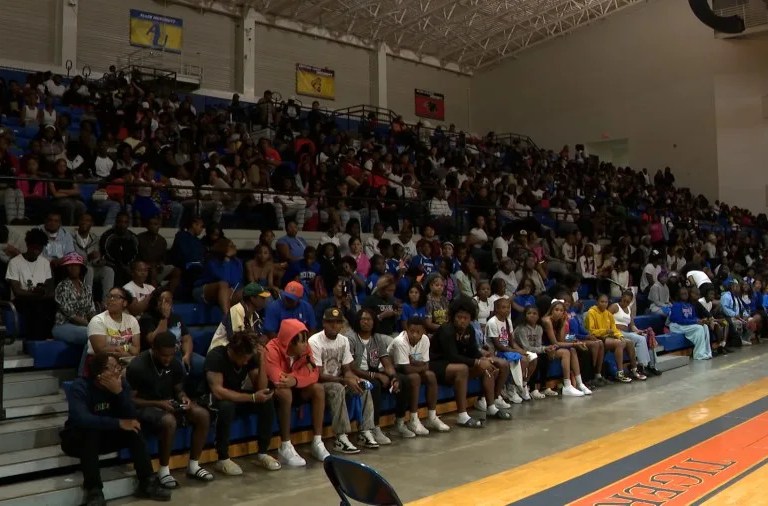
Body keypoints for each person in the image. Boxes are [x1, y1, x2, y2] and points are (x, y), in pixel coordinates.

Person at [60, 353, 171, 506]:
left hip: (106, 437)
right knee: (90, 430)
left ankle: (147, 482)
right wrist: (118, 423)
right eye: (112, 368)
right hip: (77, 439)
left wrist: (119, 394)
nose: (118, 371)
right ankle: (94, 491)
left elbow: (131, 415)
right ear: (99, 373)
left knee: (134, 428)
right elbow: (82, 419)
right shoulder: (81, 386)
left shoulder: (120, 384)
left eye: (118, 367)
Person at [126, 332, 214, 488]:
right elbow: (130, 400)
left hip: (166, 403)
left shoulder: (174, 362)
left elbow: (178, 389)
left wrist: (183, 397)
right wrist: (158, 403)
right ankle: (164, 471)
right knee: (169, 420)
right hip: (144, 406)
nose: (168, 359)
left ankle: (193, 466)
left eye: (171, 355)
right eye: (164, 355)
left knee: (202, 414)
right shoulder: (137, 366)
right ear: (154, 349)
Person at [201, 331, 280, 475]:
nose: (246, 362)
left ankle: (262, 452)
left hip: (236, 396)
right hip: (213, 399)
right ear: (234, 352)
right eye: (244, 359)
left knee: (267, 400)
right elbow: (218, 391)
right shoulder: (216, 356)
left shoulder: (248, 357)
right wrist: (252, 398)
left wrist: (262, 360)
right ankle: (222, 458)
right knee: (227, 406)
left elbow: (261, 388)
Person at [430, 297, 512, 428]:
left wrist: (484, 359)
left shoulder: (470, 330)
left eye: (466, 318)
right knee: (464, 368)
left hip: (456, 364)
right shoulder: (446, 330)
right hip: (438, 365)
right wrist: (477, 362)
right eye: (459, 317)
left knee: (489, 365)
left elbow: (473, 351)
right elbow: (452, 356)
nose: (462, 320)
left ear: (471, 318)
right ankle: (462, 416)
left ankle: (491, 407)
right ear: (453, 316)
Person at [309, 307, 379, 454]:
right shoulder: (314, 341)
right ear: (324, 323)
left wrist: (353, 378)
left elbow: (347, 368)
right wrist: (344, 380)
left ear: (342, 324)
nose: (334, 325)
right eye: (330, 322)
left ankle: (365, 431)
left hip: (339, 379)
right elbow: (318, 375)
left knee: (364, 385)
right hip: (321, 384)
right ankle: (340, 437)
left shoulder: (344, 340)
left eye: (338, 322)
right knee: (337, 388)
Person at [265, 319, 330, 466]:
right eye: (302, 341)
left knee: (318, 389)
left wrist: (295, 379)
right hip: (274, 393)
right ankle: (285, 446)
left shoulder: (305, 350)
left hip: (297, 387)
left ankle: (317, 442)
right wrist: (300, 376)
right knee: (285, 392)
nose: (306, 345)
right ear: (290, 342)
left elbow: (314, 374)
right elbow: (278, 380)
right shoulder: (271, 349)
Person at [388, 316, 451, 437]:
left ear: (424, 332)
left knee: (431, 375)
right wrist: (419, 366)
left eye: (418, 332)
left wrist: (416, 364)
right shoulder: (400, 342)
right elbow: (405, 368)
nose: (415, 335)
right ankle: (413, 419)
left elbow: (426, 365)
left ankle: (432, 417)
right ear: (406, 330)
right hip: (394, 370)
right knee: (415, 377)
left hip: (411, 367)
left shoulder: (425, 340)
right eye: (412, 331)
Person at [140, 289, 205, 382]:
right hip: (162, 356)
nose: (165, 304)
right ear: (155, 301)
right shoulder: (147, 318)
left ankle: (200, 394)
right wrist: (164, 317)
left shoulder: (176, 317)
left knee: (203, 363)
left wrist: (187, 355)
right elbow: (154, 340)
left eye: (168, 300)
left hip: (179, 352)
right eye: (162, 300)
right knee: (179, 367)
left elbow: (186, 339)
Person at [5, 228, 55, 340]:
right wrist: (36, 294)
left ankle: (48, 339)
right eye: (34, 248)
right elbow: (17, 291)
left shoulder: (45, 263)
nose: (36, 251)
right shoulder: (15, 262)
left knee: (52, 305)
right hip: (21, 301)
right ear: (28, 245)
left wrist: (42, 291)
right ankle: (34, 341)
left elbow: (50, 290)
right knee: (36, 307)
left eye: (40, 248)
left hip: (40, 299)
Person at [485, 297, 536, 404]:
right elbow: (498, 345)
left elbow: (512, 341)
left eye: (508, 307)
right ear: (497, 309)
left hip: (508, 349)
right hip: (497, 351)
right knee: (523, 359)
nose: (507, 310)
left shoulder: (508, 321)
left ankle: (523, 385)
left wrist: (521, 350)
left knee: (532, 357)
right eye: (504, 307)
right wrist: (515, 351)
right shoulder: (492, 322)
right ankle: (511, 388)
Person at [585, 294, 645, 382]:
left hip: (609, 336)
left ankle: (634, 370)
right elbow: (591, 330)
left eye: (606, 302)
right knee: (619, 343)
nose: (604, 304)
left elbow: (614, 329)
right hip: (597, 337)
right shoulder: (591, 312)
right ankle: (620, 373)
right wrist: (605, 331)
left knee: (628, 342)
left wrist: (620, 336)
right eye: (602, 302)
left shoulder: (608, 314)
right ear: (597, 302)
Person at [85, 287, 140, 375]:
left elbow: (136, 349)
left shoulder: (132, 320)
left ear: (125, 303)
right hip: (102, 363)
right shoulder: (98, 320)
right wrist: (127, 349)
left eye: (116, 297)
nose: (111, 299)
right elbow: (100, 350)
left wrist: (124, 349)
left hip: (123, 360)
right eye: (109, 296)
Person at [540, 299, 589, 397]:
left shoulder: (559, 321)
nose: (559, 312)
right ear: (551, 310)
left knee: (572, 350)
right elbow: (555, 343)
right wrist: (575, 344)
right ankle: (567, 386)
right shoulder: (547, 320)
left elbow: (561, 339)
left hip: (553, 348)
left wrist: (563, 322)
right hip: (544, 349)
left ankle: (580, 384)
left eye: (561, 311)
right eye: (556, 310)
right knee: (566, 352)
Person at [609, 290, 661, 376]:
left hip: (627, 333)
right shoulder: (615, 306)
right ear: (621, 298)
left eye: (628, 302)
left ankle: (652, 366)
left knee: (647, 337)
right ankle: (642, 366)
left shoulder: (629, 309)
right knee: (640, 339)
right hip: (617, 332)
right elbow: (605, 319)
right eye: (624, 300)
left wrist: (638, 331)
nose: (625, 303)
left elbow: (632, 325)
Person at [209, 282, 272, 350]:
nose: (265, 300)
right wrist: (257, 340)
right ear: (252, 298)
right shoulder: (237, 310)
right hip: (220, 352)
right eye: (262, 297)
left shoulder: (255, 315)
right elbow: (237, 340)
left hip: (238, 353)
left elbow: (258, 337)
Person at [52, 252, 97, 346]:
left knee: (101, 333)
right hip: (63, 326)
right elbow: (71, 316)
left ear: (81, 268)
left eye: (76, 265)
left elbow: (91, 311)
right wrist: (90, 325)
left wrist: (97, 324)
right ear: (65, 269)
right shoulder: (62, 287)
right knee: (93, 335)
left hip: (83, 326)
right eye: (69, 266)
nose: (73, 268)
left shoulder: (86, 288)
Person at [194, 238, 244, 316]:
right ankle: (227, 319)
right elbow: (224, 279)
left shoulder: (237, 262)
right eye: (231, 246)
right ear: (223, 248)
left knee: (246, 291)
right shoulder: (212, 262)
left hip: (226, 291)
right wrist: (226, 259)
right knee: (223, 284)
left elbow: (236, 281)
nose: (234, 247)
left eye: (234, 245)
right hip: (205, 290)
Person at [74, 214, 115, 302]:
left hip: (91, 268)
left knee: (108, 270)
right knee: (89, 270)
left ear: (91, 223)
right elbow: (71, 257)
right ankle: (87, 303)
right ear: (78, 222)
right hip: (76, 269)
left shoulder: (95, 238)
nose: (85, 222)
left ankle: (106, 304)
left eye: (88, 220)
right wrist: (87, 257)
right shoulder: (71, 237)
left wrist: (99, 261)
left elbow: (95, 260)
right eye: (82, 220)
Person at [512, 305, 548, 400]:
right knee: (537, 358)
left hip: (531, 351)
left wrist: (546, 349)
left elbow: (538, 345)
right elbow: (526, 347)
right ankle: (532, 389)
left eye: (534, 313)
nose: (532, 315)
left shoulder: (539, 328)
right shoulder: (521, 329)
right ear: (525, 315)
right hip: (520, 351)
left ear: (538, 316)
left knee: (546, 357)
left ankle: (543, 386)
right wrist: (544, 349)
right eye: (529, 313)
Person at [669, 286, 713, 360]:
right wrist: (696, 322)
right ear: (679, 295)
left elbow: (693, 317)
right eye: (682, 294)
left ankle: (707, 352)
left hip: (686, 325)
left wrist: (701, 321)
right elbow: (680, 320)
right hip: (676, 326)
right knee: (699, 328)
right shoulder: (676, 305)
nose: (685, 295)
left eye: (686, 293)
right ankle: (699, 354)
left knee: (704, 326)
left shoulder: (689, 305)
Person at [100, 212, 139, 287]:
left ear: (128, 223)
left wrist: (129, 266)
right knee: (117, 272)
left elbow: (136, 254)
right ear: (116, 222)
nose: (122, 225)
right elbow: (105, 254)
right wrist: (122, 266)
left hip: (129, 265)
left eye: (125, 222)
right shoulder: (107, 236)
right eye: (120, 222)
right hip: (111, 265)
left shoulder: (133, 237)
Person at [137, 217, 171, 286]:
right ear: (147, 226)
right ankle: (154, 294)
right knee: (153, 270)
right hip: (142, 265)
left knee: (176, 271)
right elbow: (136, 256)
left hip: (157, 266)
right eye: (151, 224)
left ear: (159, 226)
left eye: (156, 224)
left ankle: (166, 292)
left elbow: (163, 259)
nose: (153, 226)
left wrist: (160, 264)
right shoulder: (139, 238)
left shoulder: (162, 241)